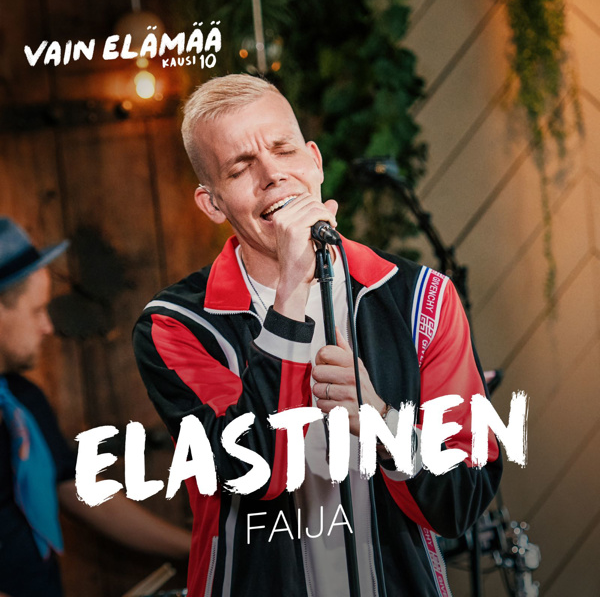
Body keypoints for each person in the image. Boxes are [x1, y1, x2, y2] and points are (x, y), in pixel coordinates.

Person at [133, 74, 502, 597]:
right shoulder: (177, 325)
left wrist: (383, 424)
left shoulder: (423, 300)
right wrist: (291, 290)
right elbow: (251, 470)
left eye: (283, 150)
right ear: (213, 204)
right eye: (240, 167)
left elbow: (462, 502)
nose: (272, 175)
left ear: (315, 161)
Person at [0, 218, 191, 597]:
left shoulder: (22, 399)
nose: (48, 327)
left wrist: (196, 548)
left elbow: (78, 490)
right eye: (37, 310)